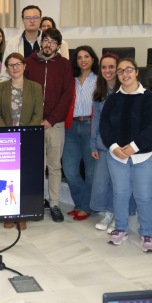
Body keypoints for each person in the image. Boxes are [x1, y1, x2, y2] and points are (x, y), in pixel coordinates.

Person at [100, 58, 152, 252]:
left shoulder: (150, 98)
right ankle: (120, 229)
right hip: (117, 155)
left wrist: (135, 146)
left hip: (144, 156)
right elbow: (105, 126)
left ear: (136, 72)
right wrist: (113, 147)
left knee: (143, 196)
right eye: (120, 71)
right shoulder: (112, 98)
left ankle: (146, 232)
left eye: (129, 70)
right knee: (120, 194)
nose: (125, 74)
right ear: (117, 76)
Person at [24, 28, 74, 223]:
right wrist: (35, 119)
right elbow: (24, 92)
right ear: (40, 42)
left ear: (59, 46)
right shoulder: (28, 63)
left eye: (53, 42)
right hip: (33, 124)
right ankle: (37, 201)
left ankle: (54, 203)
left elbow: (67, 95)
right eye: (45, 40)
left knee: (54, 166)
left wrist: (51, 119)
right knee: (36, 166)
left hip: (55, 124)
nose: (48, 44)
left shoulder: (64, 64)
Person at [0, 53, 43, 229]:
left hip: (28, 139)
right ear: (7, 68)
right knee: (7, 178)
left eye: (18, 64)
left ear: (24, 66)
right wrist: (8, 134)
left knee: (25, 178)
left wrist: (26, 133)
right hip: (7, 140)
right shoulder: (1, 88)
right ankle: (8, 212)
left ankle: (22, 214)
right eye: (11, 65)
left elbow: (38, 113)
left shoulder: (35, 87)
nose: (15, 67)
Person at [90, 52, 136, 233]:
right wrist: (93, 144)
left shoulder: (126, 90)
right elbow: (96, 120)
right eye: (104, 67)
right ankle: (108, 213)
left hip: (123, 147)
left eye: (111, 67)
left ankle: (120, 215)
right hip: (103, 145)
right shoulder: (100, 91)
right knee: (103, 182)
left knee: (121, 183)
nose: (107, 71)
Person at [63, 46, 99, 221]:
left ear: (93, 59)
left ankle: (86, 206)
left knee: (91, 171)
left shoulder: (100, 80)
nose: (83, 60)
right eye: (79, 57)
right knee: (69, 170)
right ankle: (80, 203)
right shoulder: (71, 80)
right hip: (70, 128)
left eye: (87, 56)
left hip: (90, 128)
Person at [0, 5, 42, 82]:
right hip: (20, 89)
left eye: (35, 18)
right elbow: (4, 74)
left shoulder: (49, 43)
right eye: (28, 18)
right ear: (23, 20)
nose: (32, 21)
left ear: (40, 20)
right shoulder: (12, 43)